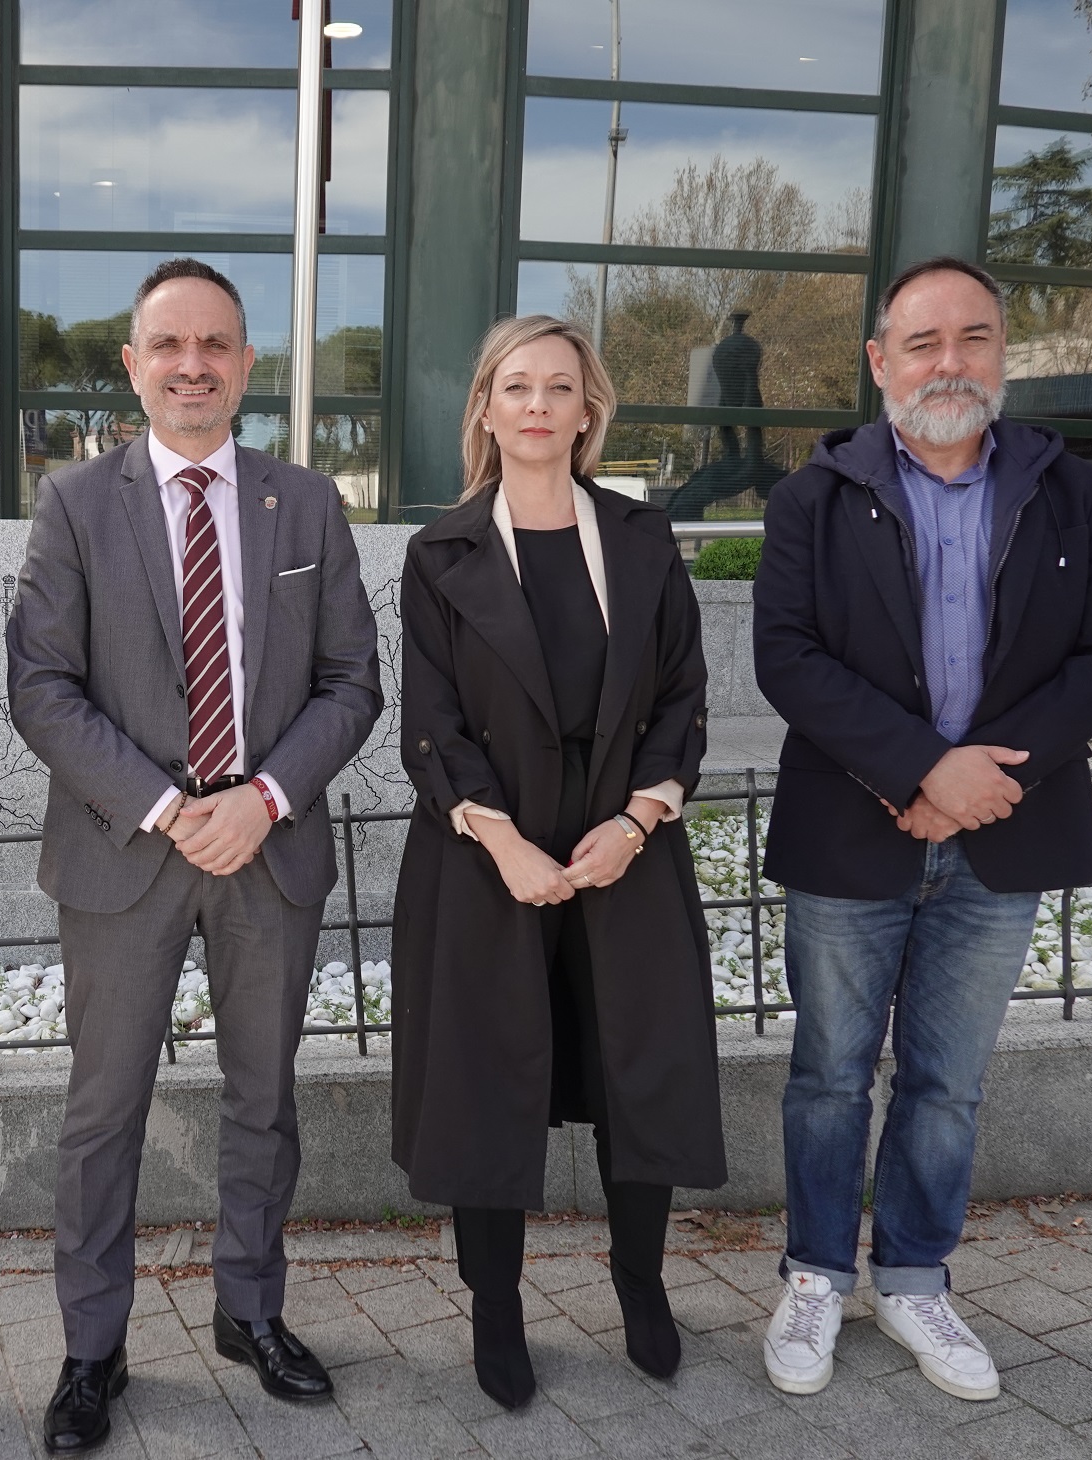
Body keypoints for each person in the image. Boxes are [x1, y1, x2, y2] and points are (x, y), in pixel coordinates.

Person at [6, 258, 382, 1454]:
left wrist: (262, 797)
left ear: (246, 365)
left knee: (262, 1099)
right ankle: (92, 1346)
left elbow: (351, 682)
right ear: (131, 365)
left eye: (214, 343)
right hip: (127, 848)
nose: (191, 364)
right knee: (100, 1109)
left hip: (268, 848)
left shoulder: (303, 503)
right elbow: (40, 688)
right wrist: (171, 807)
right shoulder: (75, 502)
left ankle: (250, 1311)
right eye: (167, 344)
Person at [753, 256, 1092, 1402]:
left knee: (946, 1081)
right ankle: (816, 1273)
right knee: (827, 1073)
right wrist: (921, 767)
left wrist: (981, 781)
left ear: (1001, 352)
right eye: (921, 342)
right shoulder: (812, 497)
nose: (948, 362)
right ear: (879, 362)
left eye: (972, 337)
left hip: (1002, 831)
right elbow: (786, 658)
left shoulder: (1071, 492)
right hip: (850, 827)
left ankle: (912, 1275)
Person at [391, 313, 725, 1410]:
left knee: (640, 1066)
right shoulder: (438, 554)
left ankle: (640, 1284)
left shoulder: (642, 537)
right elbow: (429, 723)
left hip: (623, 845)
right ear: (485, 409)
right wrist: (502, 842)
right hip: (486, 856)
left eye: (559, 387)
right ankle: (494, 1307)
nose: (537, 404)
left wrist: (635, 822)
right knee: (486, 1081)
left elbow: (681, 695)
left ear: (588, 411)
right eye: (516, 386)